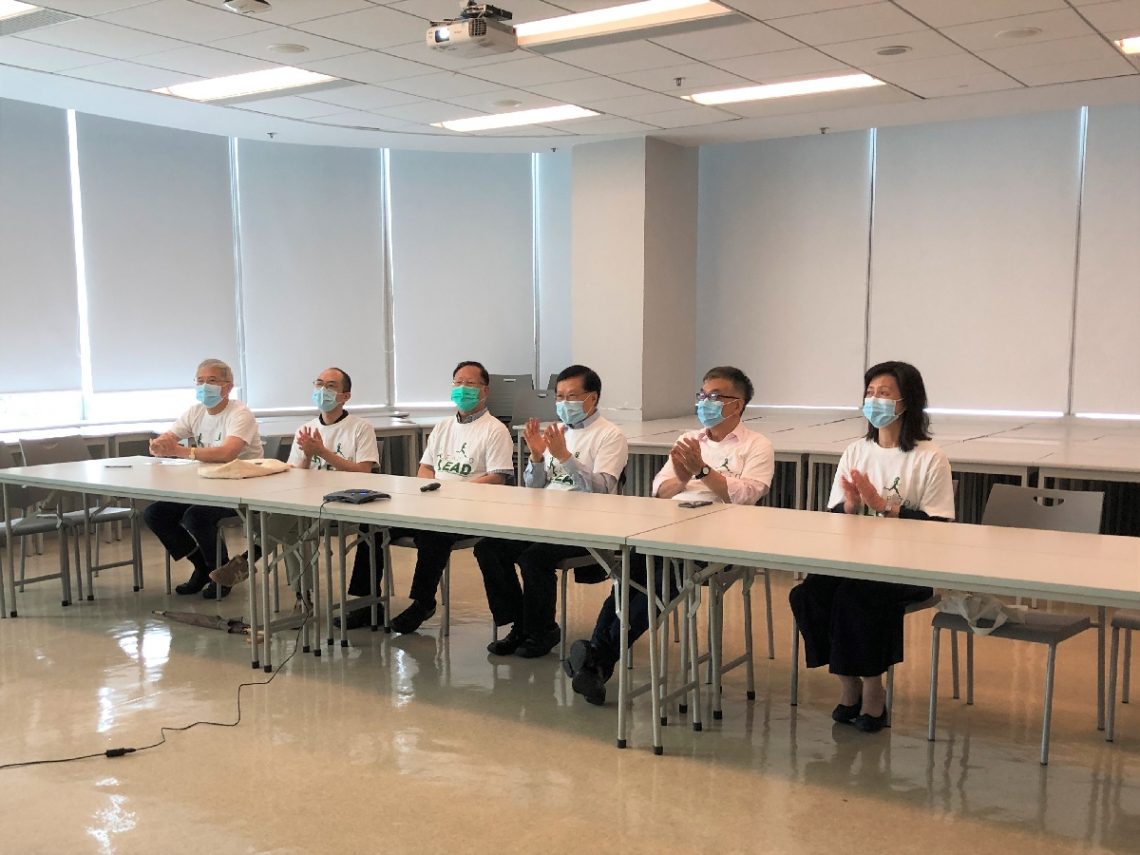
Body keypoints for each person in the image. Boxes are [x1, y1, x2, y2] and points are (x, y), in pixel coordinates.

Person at [563, 366, 774, 705]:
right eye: (702, 395)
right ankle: (598, 662)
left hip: (723, 538)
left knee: (660, 579)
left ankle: (598, 659)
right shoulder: (688, 440)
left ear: (738, 404)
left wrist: (701, 472)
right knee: (630, 574)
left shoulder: (757, 446)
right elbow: (661, 489)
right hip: (673, 527)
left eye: (715, 396)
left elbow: (747, 494)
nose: (705, 402)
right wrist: (689, 475)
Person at [788, 360, 955, 733]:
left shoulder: (930, 457)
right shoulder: (856, 452)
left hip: (910, 565)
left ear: (907, 401)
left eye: (884, 393)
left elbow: (942, 528)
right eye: (869, 392)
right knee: (809, 593)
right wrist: (849, 507)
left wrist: (886, 510)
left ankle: (873, 693)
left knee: (855, 596)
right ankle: (848, 686)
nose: (874, 399)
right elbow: (835, 518)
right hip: (856, 559)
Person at [476, 365, 628, 658]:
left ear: (592, 398)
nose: (563, 403)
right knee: (489, 548)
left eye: (572, 396)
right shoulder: (556, 431)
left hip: (586, 525)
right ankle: (519, 623)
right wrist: (535, 456)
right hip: (545, 520)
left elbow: (603, 491)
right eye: (559, 396)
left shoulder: (609, 435)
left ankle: (542, 629)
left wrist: (566, 458)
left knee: (533, 558)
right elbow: (534, 487)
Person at [209, 367, 380, 617]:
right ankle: (302, 595)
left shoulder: (360, 428)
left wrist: (323, 452)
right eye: (319, 384)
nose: (323, 391)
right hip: (309, 501)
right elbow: (295, 473)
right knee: (291, 526)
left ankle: (251, 562)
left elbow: (364, 473)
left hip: (345, 502)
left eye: (331, 386)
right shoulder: (306, 429)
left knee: (289, 523)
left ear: (345, 396)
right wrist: (308, 456)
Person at [385, 360, 515, 634]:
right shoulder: (442, 427)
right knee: (373, 527)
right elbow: (425, 467)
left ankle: (422, 602)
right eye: (458, 383)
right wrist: (430, 492)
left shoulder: (495, 430)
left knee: (433, 534)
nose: (462, 389)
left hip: (471, 510)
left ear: (485, 391)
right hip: (434, 505)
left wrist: (454, 495)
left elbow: (497, 478)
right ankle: (366, 600)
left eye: (470, 384)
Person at [144, 358, 262, 599]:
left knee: (196, 516)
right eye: (200, 381)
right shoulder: (195, 412)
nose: (204, 386)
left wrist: (180, 451)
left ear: (228, 386)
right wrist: (160, 444)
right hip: (205, 485)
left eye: (211, 381)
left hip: (240, 486)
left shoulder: (240, 414)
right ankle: (204, 567)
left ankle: (221, 574)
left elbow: (227, 453)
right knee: (155, 513)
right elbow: (170, 437)